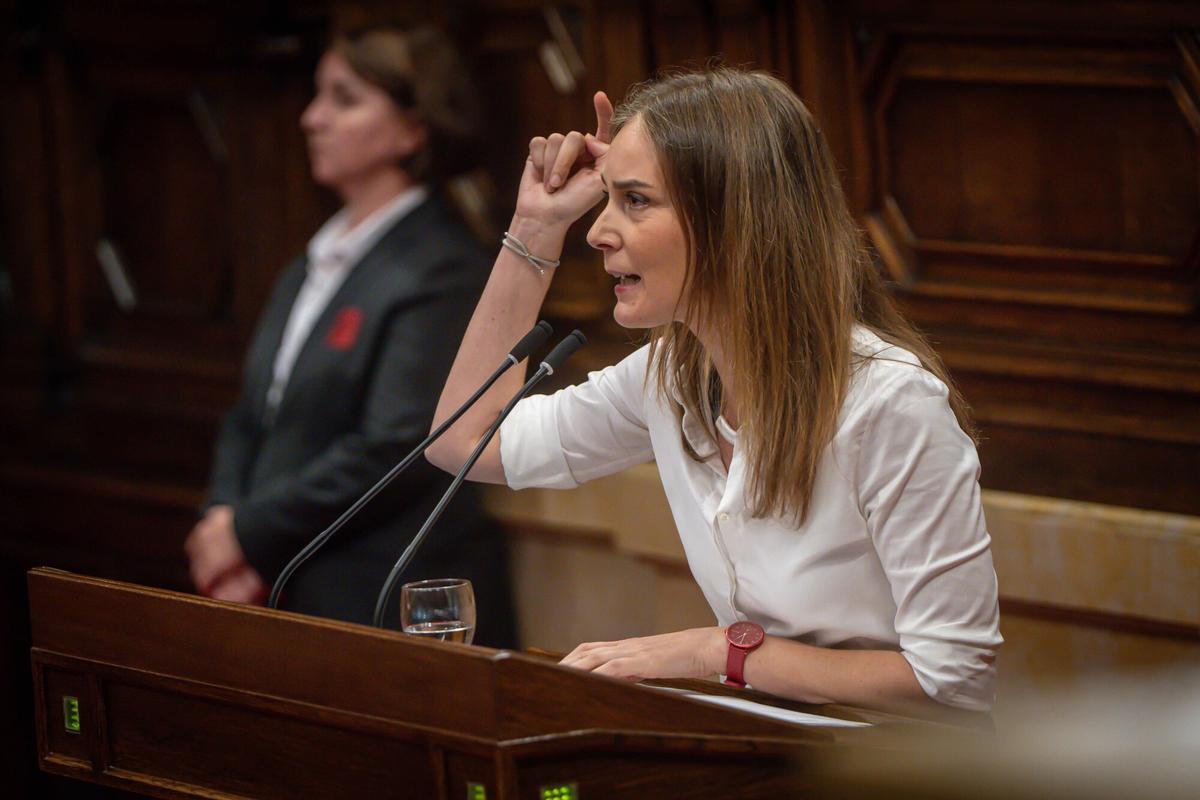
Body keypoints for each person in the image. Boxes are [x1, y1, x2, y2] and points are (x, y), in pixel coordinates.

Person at [426, 68, 1002, 715]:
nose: (596, 231)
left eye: (635, 200)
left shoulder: (891, 403)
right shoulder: (669, 376)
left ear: (732, 220)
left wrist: (719, 653)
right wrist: (535, 228)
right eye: (605, 199)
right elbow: (464, 444)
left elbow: (952, 677)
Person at [185, 26, 515, 646]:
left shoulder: (445, 265)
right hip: (286, 577)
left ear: (414, 128)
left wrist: (247, 533)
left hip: (386, 599)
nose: (312, 118)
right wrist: (223, 528)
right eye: (317, 96)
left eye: (344, 98)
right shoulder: (314, 259)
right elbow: (251, 416)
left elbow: (399, 443)